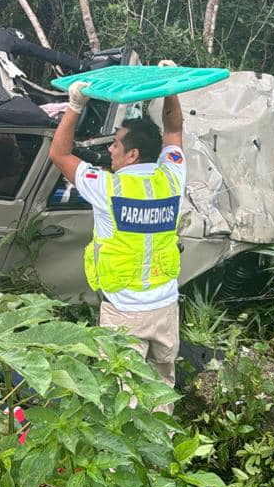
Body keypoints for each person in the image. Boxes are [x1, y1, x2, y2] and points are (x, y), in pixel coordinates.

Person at [48, 81, 186, 413]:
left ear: (132, 154)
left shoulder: (107, 187)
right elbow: (174, 129)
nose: (110, 150)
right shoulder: (173, 177)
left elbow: (59, 154)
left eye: (115, 144)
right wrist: (171, 90)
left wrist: (76, 106)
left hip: (125, 313)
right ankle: (161, 453)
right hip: (166, 307)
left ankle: (120, 465)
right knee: (162, 386)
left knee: (121, 395)